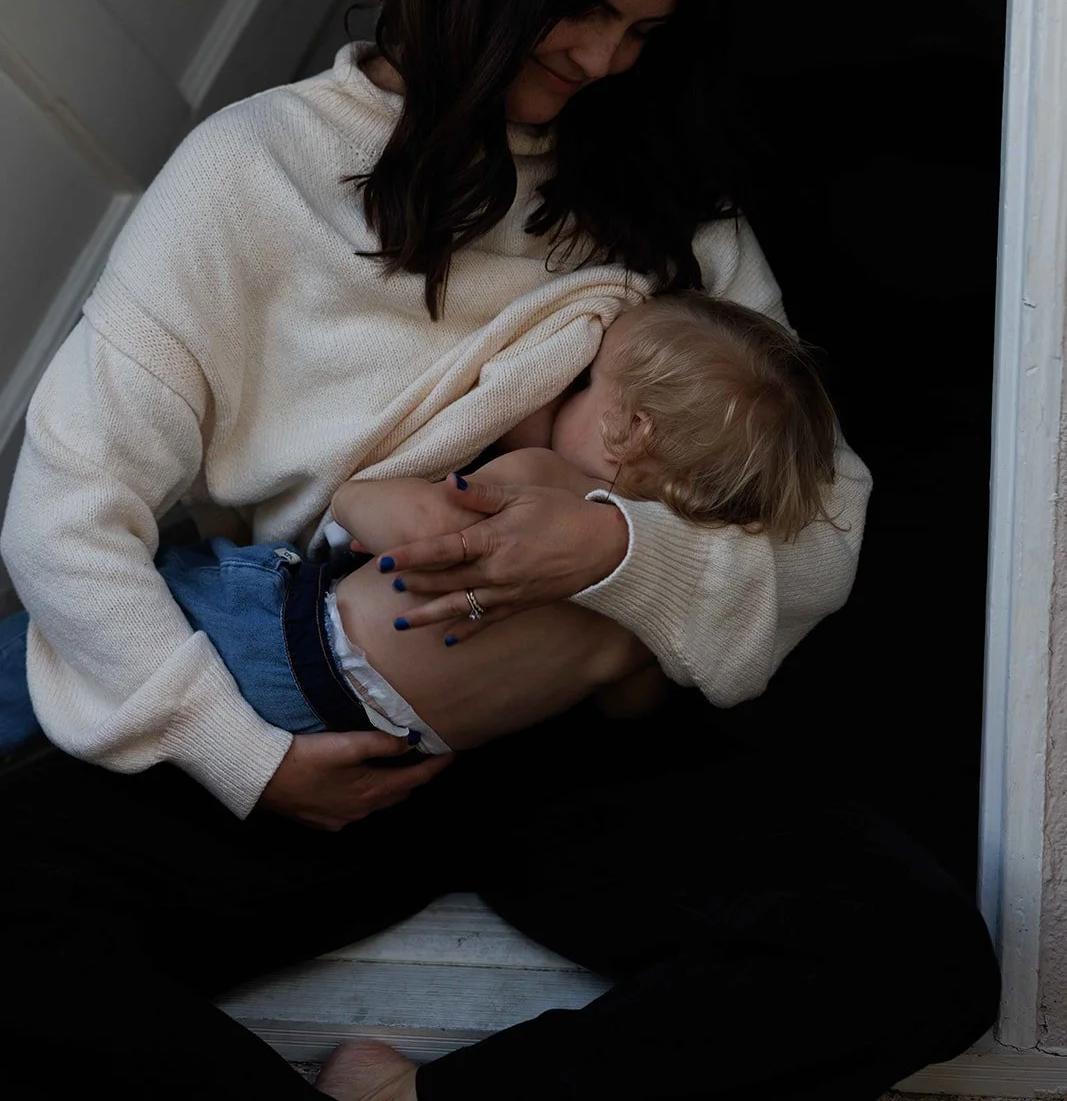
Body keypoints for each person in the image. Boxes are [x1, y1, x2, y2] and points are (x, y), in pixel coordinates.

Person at [0, 0, 998, 1101]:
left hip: (571, 738)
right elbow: (66, 515)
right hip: (305, 718)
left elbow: (820, 530)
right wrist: (248, 763)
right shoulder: (256, 172)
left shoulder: (665, 218)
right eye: (584, 10)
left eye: (641, 33)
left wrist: (604, 547)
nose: (601, 61)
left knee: (907, 954)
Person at [0, 291, 840, 760]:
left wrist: (488, 437)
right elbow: (628, 708)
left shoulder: (543, 486)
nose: (566, 391)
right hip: (376, 738)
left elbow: (372, 511)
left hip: (295, 643)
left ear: (631, 432)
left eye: (583, 384)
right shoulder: (650, 631)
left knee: (60, 636)